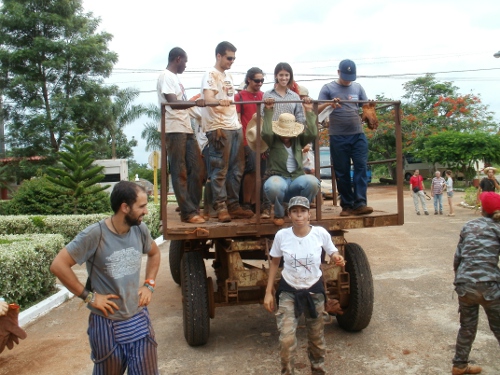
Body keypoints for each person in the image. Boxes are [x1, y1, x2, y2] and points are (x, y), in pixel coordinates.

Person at [50, 181, 161, 374]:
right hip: (106, 324)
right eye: (142, 206)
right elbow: (58, 265)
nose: (146, 211)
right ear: (125, 207)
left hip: (138, 319)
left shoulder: (139, 229)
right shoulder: (95, 234)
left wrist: (149, 284)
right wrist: (89, 296)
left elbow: (155, 253)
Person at [263, 196, 345, 375]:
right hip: (288, 291)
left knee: (316, 340)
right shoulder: (282, 235)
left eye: (302, 211)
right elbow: (275, 263)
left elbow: (333, 251)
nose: (299, 215)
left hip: (314, 291)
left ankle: (318, 370)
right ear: (289, 214)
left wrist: (337, 257)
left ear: (309, 214)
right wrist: (268, 292)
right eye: (294, 211)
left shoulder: (320, 233)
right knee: (286, 341)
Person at [198, 41, 254, 222]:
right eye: (229, 58)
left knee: (237, 169)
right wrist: (218, 101)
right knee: (219, 169)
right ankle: (221, 206)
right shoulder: (210, 74)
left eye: (234, 58)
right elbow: (208, 98)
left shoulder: (227, 77)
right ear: (219, 56)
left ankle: (233, 205)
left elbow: (230, 99)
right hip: (218, 126)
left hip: (234, 126)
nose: (232, 61)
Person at [451, 191, 500, 375]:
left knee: (467, 327)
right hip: (489, 286)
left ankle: (459, 365)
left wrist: (459, 281)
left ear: (482, 209)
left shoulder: (468, 226)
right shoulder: (498, 228)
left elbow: (458, 258)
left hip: (465, 285)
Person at [157, 47, 206, 224]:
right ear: (178, 59)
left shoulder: (175, 79)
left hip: (185, 127)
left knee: (198, 168)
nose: (186, 65)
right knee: (180, 171)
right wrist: (195, 102)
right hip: (173, 128)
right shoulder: (165, 76)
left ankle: (192, 207)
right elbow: (173, 103)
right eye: (185, 61)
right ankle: (187, 212)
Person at [318, 59, 372, 216]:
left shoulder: (358, 87)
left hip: (357, 134)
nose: (348, 80)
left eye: (351, 77)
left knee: (361, 167)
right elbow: (316, 108)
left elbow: (365, 107)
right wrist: (330, 103)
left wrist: (369, 111)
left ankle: (360, 203)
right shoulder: (328, 88)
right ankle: (347, 205)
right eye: (346, 76)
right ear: (338, 72)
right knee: (342, 171)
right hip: (338, 135)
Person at [261, 97, 320, 226]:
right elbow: (265, 132)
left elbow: (313, 133)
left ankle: (303, 211)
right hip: (279, 177)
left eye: (288, 132)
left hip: (296, 178)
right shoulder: (273, 140)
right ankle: (279, 213)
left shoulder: (298, 139)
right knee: (273, 186)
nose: (286, 135)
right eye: (283, 132)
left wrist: (309, 110)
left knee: (313, 182)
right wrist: (269, 110)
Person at [234, 67, 265, 212]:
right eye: (257, 80)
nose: (260, 83)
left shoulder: (264, 96)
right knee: (251, 170)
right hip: (248, 137)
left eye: (262, 80)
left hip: (263, 139)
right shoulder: (239, 96)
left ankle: (255, 202)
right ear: (249, 80)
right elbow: (238, 119)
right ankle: (246, 202)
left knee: (262, 171)